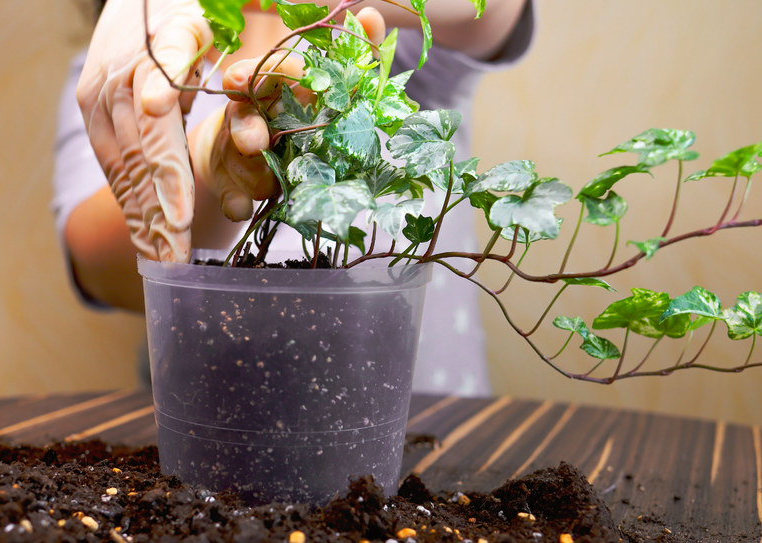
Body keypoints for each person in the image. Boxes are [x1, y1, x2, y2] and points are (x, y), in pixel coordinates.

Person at [52, 0, 535, 396]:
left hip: (424, 425)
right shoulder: (129, 64)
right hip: (218, 427)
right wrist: (206, 161)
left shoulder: (392, 38)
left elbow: (494, 10)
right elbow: (97, 263)